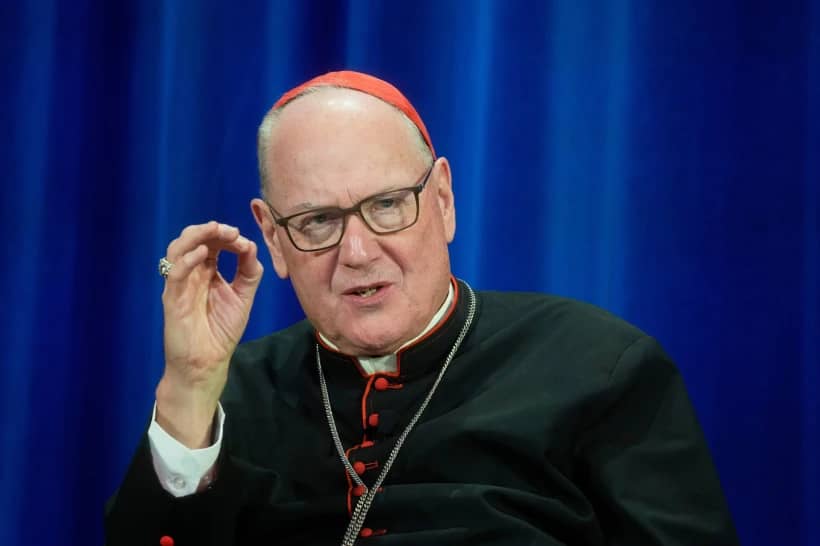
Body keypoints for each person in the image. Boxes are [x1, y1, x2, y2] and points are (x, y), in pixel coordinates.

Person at [105, 71, 739, 545]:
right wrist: (188, 388)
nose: (357, 251)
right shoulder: (225, 398)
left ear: (442, 201)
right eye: (319, 220)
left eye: (387, 205)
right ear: (273, 238)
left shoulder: (600, 366)